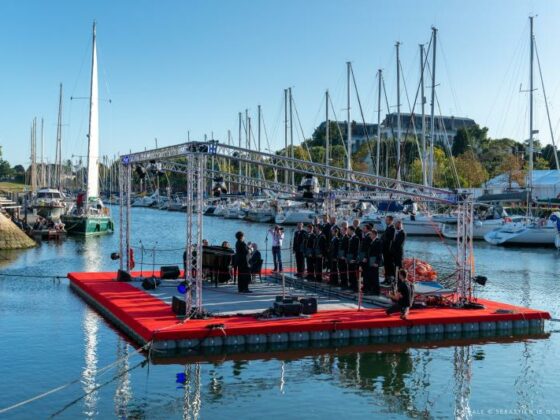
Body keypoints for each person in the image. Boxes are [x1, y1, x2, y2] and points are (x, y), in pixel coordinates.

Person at [365, 229, 383, 295]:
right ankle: (372, 290)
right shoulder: (372, 241)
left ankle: (376, 291)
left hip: (375, 261)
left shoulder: (378, 241)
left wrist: (377, 262)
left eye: (371, 234)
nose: (370, 236)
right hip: (371, 260)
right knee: (371, 275)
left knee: (375, 276)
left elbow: (379, 253)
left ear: (375, 234)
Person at [381, 215, 396, 285]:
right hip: (385, 249)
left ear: (391, 220)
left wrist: (384, 239)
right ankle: (386, 278)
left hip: (389, 250)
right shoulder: (387, 228)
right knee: (386, 265)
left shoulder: (392, 228)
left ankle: (391, 279)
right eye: (386, 220)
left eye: (387, 220)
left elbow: (390, 239)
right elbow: (383, 236)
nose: (386, 221)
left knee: (390, 265)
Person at [347, 226, 360, 292]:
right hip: (350, 258)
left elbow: (356, 250)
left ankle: (355, 287)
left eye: (348, 230)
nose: (347, 231)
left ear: (352, 230)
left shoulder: (356, 238)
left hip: (353, 259)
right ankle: (351, 285)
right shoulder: (350, 238)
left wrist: (354, 259)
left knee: (354, 273)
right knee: (350, 273)